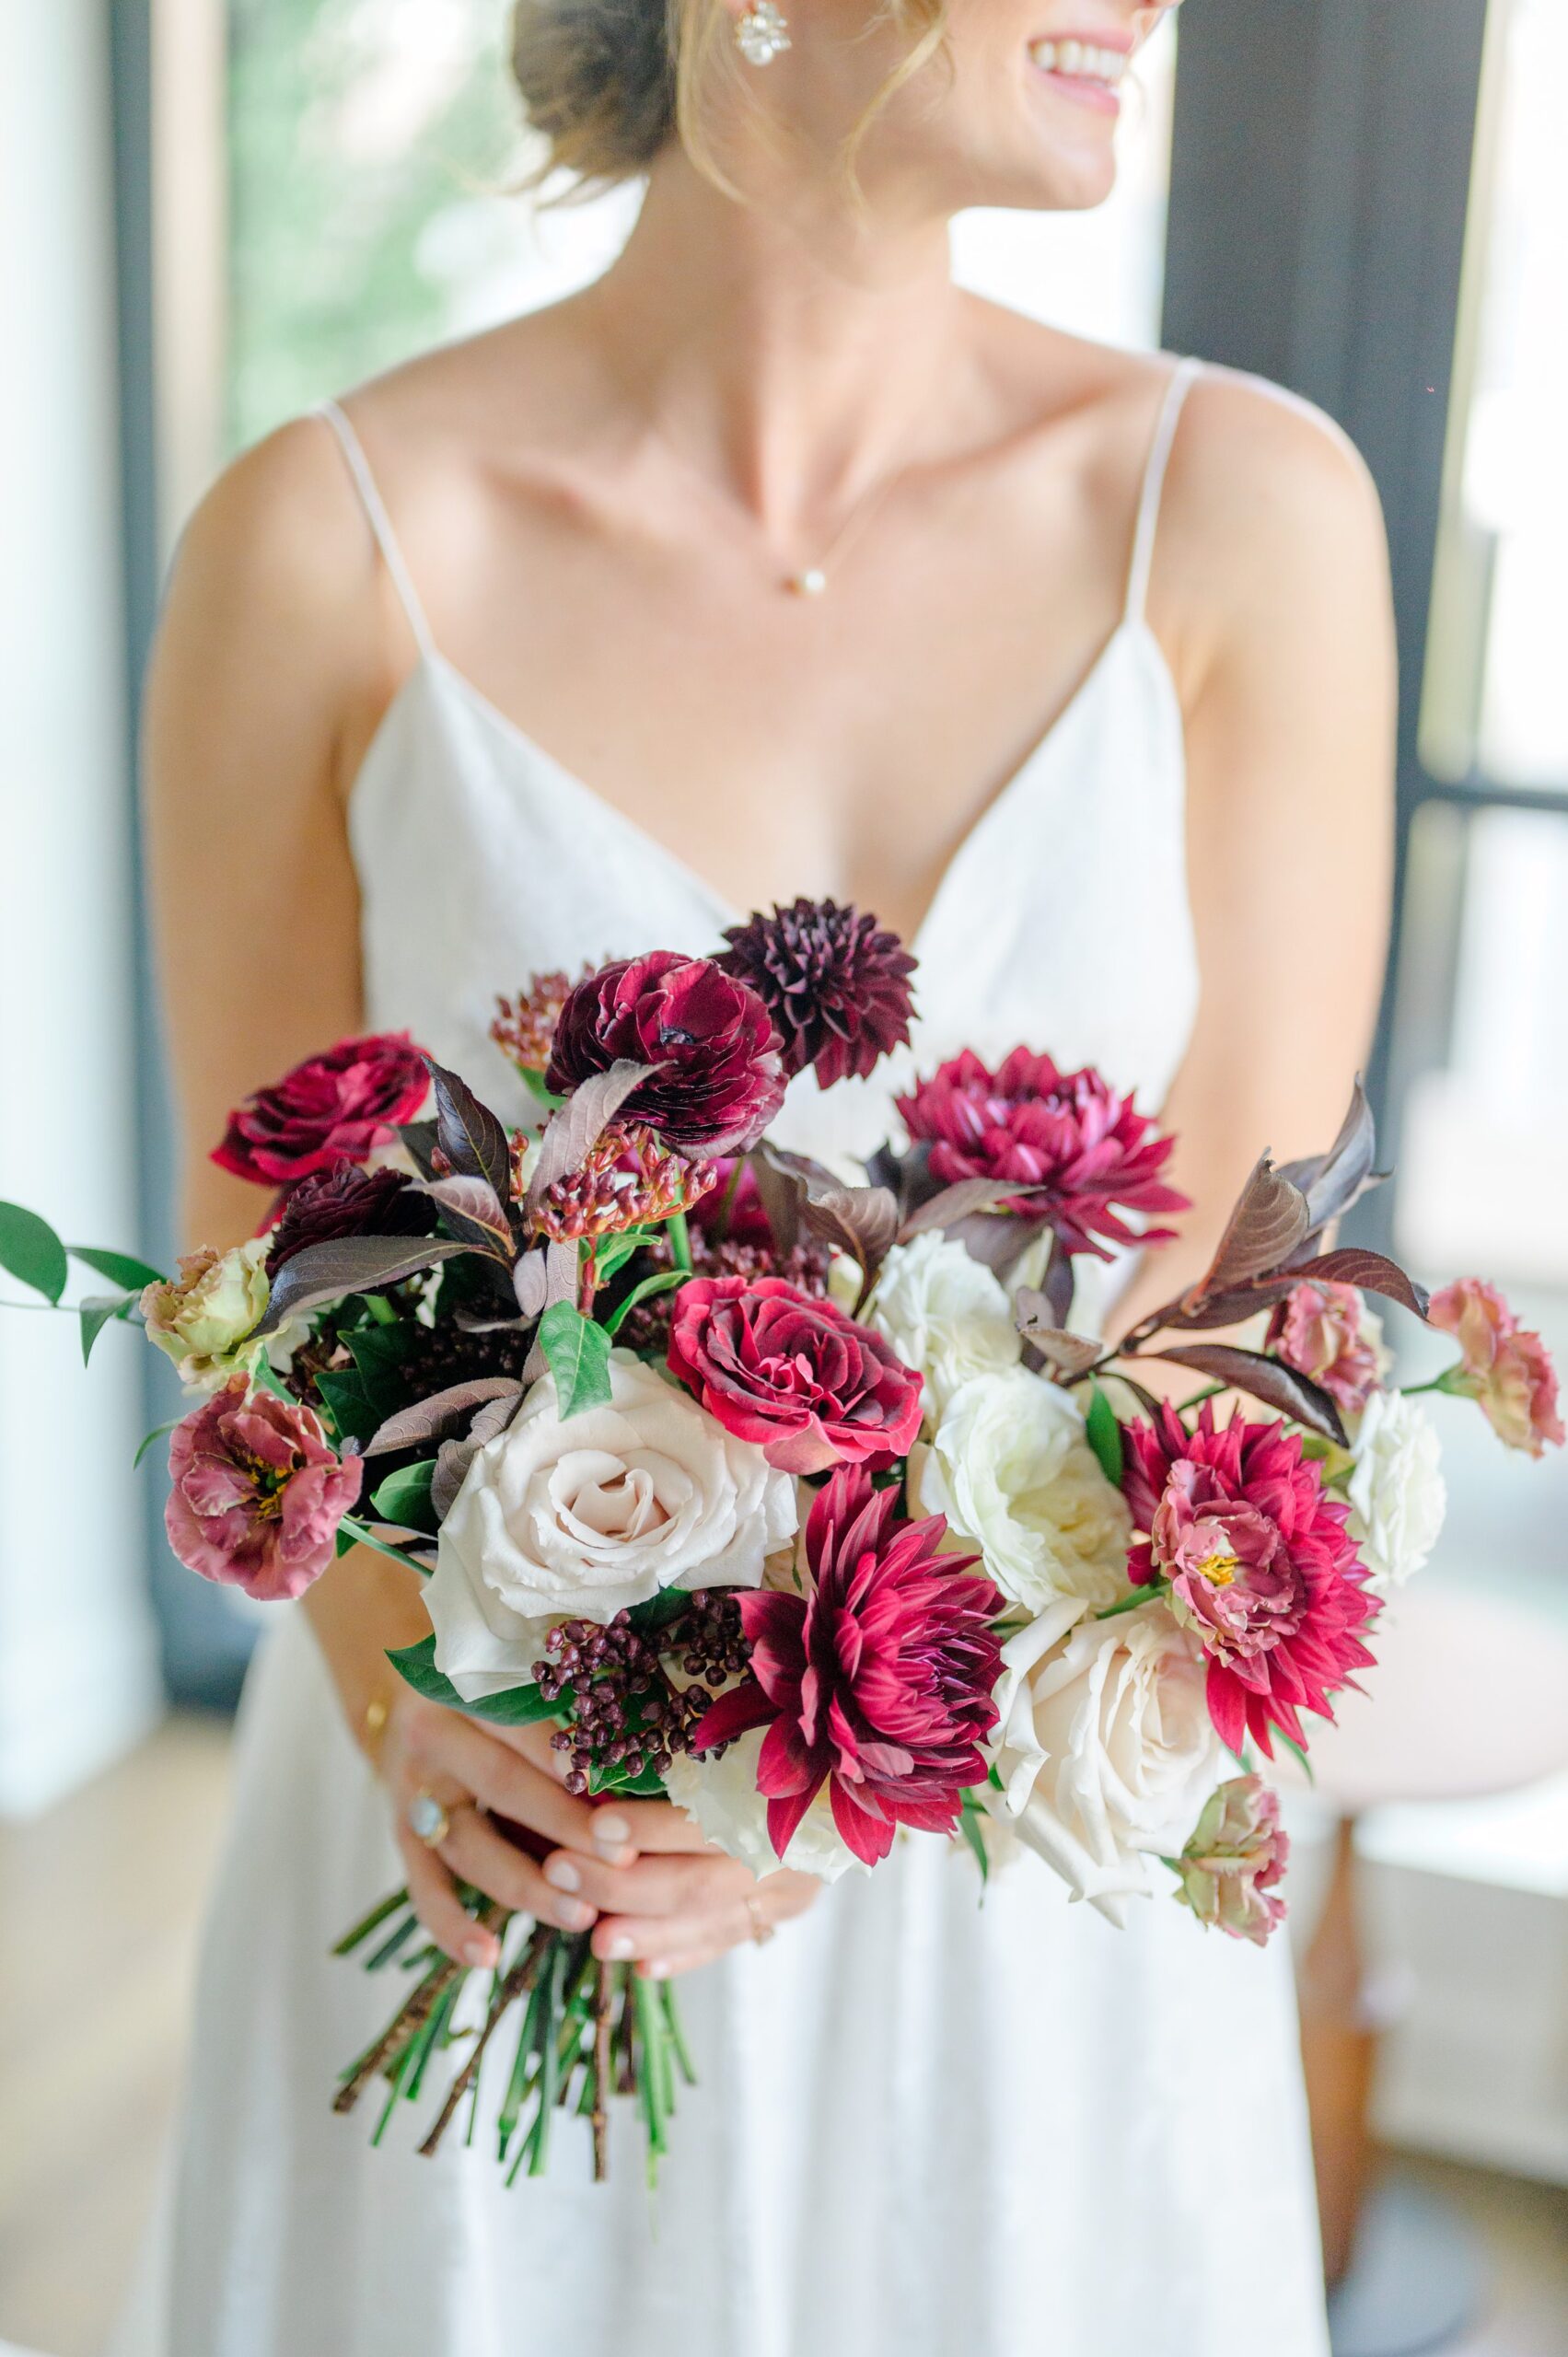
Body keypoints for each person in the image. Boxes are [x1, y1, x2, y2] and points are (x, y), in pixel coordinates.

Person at [120, 2, 1394, 2351]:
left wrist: (821, 1763)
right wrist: (450, 1728)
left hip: (1026, 1948)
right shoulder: (326, 544)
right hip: (507, 1890)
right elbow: (258, 1299)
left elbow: (1234, 1306)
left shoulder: (1245, 515)